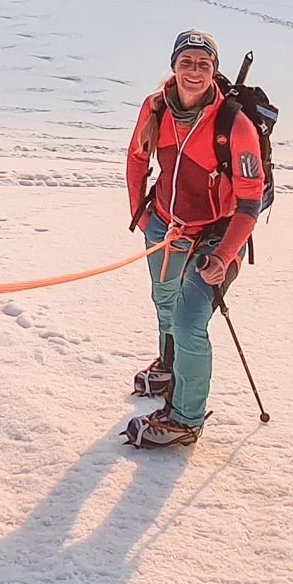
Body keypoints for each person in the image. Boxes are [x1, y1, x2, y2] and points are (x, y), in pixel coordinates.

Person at [121, 29, 265, 448]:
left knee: (188, 321)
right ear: (174, 66)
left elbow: (250, 201)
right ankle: (167, 367)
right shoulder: (155, 108)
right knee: (165, 299)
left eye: (204, 64)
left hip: (219, 235)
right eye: (187, 62)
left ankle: (185, 419)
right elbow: (136, 158)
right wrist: (141, 213)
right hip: (165, 225)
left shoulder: (234, 126)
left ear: (214, 70)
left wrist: (225, 254)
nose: (195, 71)